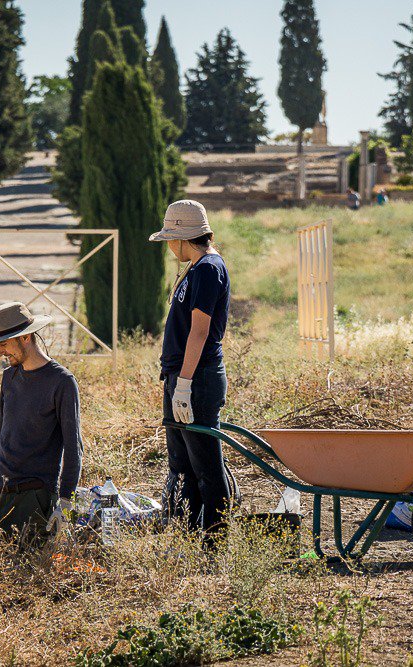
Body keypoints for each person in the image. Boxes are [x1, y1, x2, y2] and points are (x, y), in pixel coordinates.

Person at [149, 200, 232, 547]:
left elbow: (199, 331)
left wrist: (184, 384)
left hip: (196, 379)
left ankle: (214, 544)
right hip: (180, 377)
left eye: (170, 238)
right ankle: (187, 539)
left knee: (206, 465)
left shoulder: (209, 269)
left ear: (183, 237)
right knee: (182, 463)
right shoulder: (196, 269)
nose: (168, 246)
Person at [0, 302, 83, 548]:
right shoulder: (9, 377)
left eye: (3, 343)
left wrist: (66, 501)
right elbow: (0, 433)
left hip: (34, 497)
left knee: (23, 572)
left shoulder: (62, 382)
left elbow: (73, 448)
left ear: (25, 337)